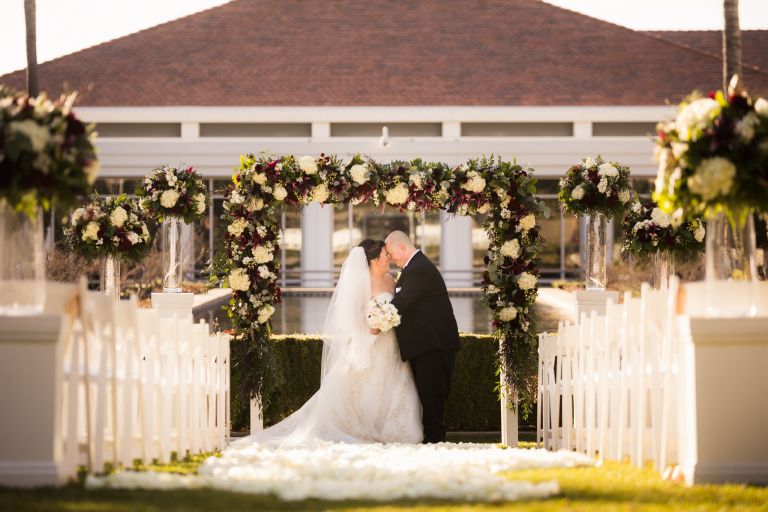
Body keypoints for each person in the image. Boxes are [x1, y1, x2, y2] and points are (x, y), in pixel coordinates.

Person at [235, 239, 422, 445]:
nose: (389, 258)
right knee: (367, 388)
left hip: (392, 345)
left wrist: (388, 319)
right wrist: (374, 324)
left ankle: (395, 429)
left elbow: (400, 307)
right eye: (385, 254)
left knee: (395, 387)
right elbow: (351, 318)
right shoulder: (360, 284)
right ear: (375, 259)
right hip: (369, 343)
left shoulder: (390, 281)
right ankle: (367, 428)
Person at [384, 231, 461, 443]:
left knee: (432, 401)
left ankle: (435, 444)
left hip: (433, 346)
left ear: (401, 247)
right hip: (427, 345)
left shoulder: (419, 269)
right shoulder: (413, 267)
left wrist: (376, 318)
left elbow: (401, 304)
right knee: (429, 400)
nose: (390, 259)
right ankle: (433, 443)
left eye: (390, 253)